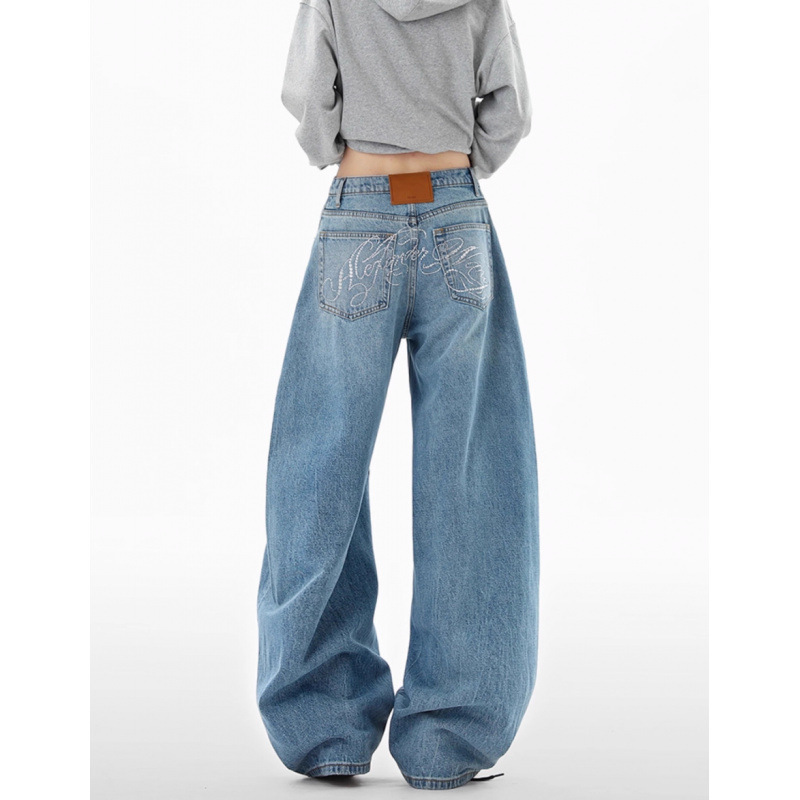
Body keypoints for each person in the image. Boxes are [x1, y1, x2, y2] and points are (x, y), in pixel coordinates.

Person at [256, 0, 539, 791]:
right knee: (472, 474)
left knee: (320, 465)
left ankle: (325, 729)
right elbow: (510, 110)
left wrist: (341, 147)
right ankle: (452, 737)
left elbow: (309, 99)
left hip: (362, 206)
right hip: (454, 211)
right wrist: (458, 157)